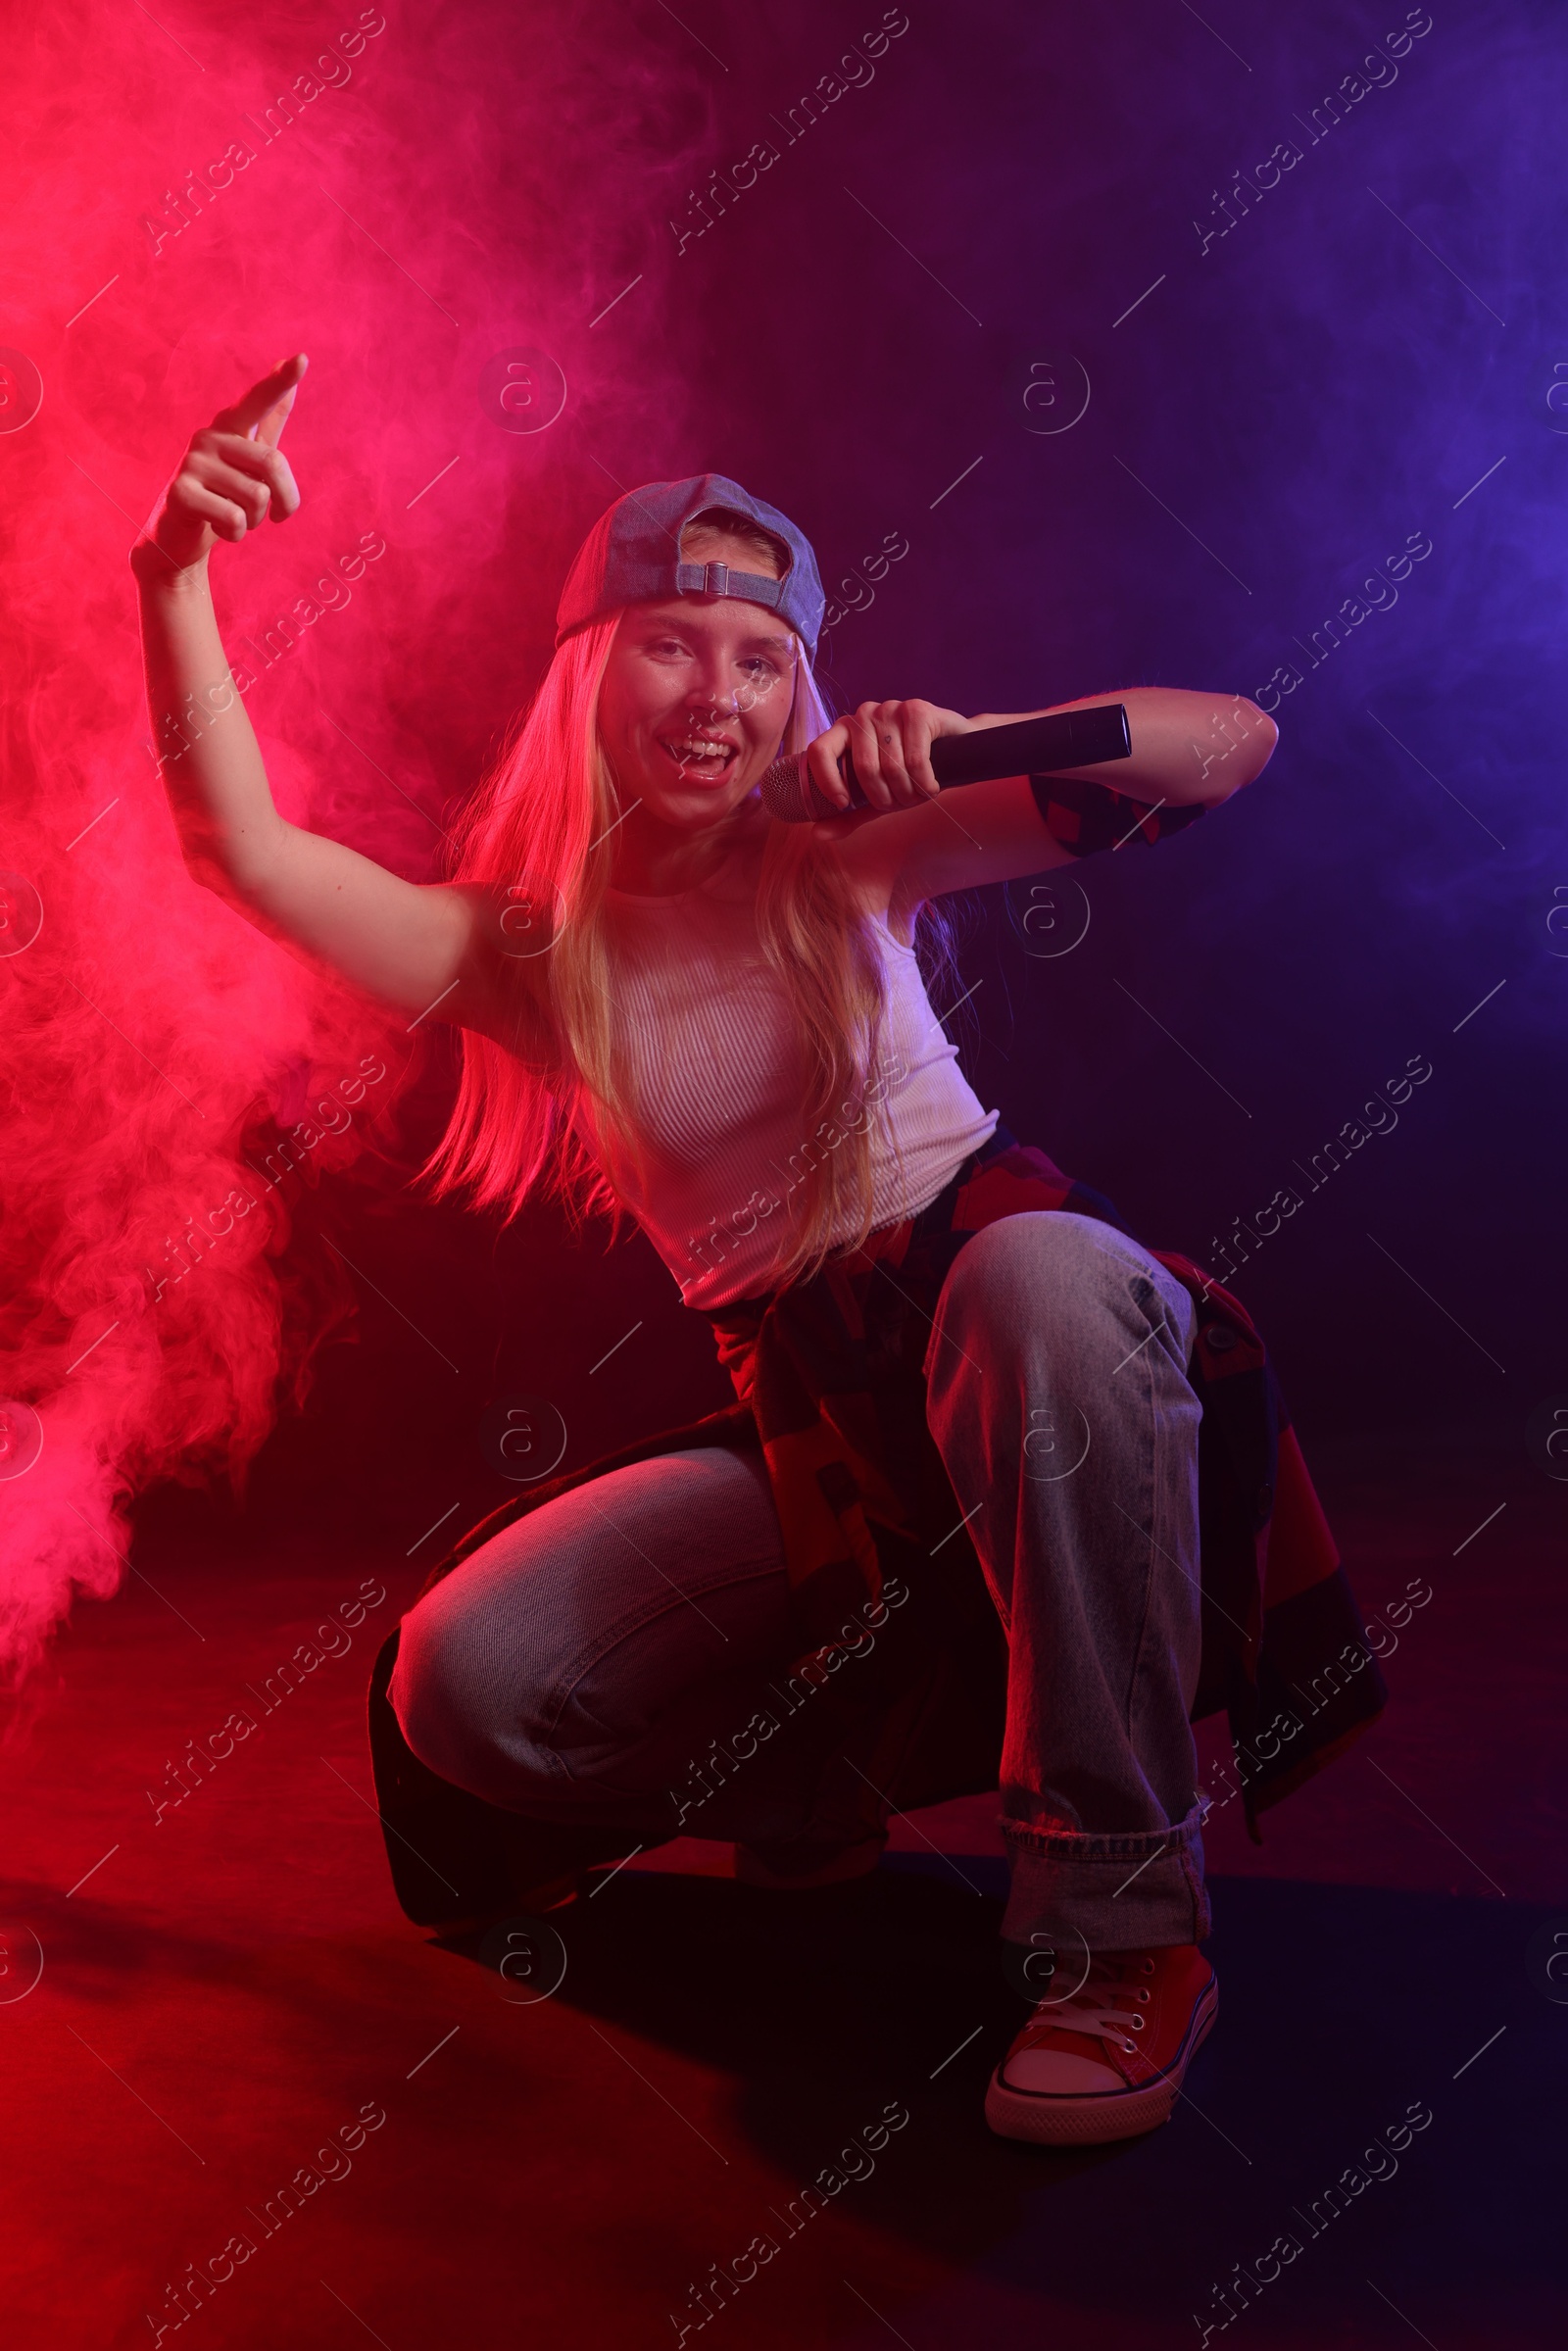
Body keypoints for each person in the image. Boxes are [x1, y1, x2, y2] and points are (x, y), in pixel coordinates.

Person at [136, 353, 1288, 2150]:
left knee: (1042, 1278)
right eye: (675, 642)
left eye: (763, 658)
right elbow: (241, 851)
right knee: (472, 1686)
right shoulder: (530, 960)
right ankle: (825, 1778)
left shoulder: (848, 850)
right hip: (817, 1434)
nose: (720, 688)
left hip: (1032, 1344)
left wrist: (981, 742)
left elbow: (1231, 747)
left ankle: (1126, 1930)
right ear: (594, 677)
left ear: (798, 693)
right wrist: (172, 577)